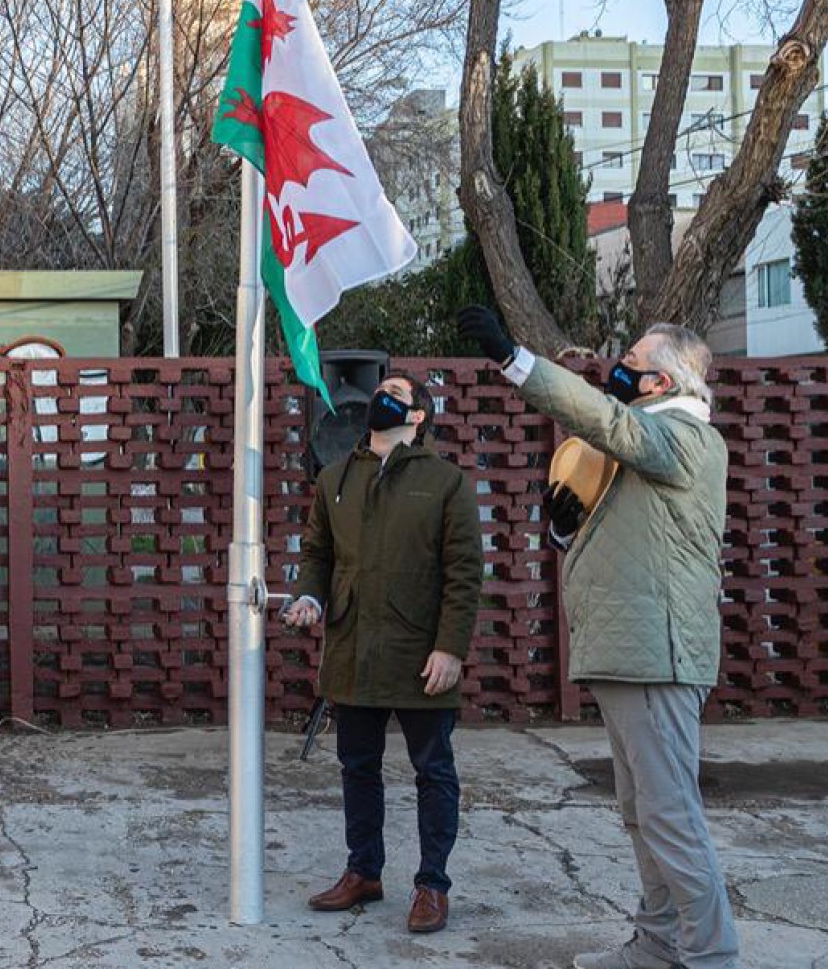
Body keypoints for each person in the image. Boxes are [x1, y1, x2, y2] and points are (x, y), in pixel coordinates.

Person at [458, 305, 739, 969]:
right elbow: (626, 542)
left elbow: (606, 422)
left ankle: (712, 956)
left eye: (635, 361)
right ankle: (658, 944)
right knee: (643, 815)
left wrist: (516, 362)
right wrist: (564, 532)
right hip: (630, 652)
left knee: (670, 818)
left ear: (662, 384)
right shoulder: (651, 448)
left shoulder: (686, 440)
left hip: (656, 657)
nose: (621, 366)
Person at [282, 374, 482, 934]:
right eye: (381, 388)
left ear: (418, 416)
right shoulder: (334, 478)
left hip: (420, 652)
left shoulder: (445, 482)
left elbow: (465, 575)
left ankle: (432, 886)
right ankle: (363, 872)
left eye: (396, 391)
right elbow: (318, 555)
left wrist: (451, 648)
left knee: (433, 772)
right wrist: (309, 598)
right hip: (352, 650)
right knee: (357, 768)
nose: (381, 396)